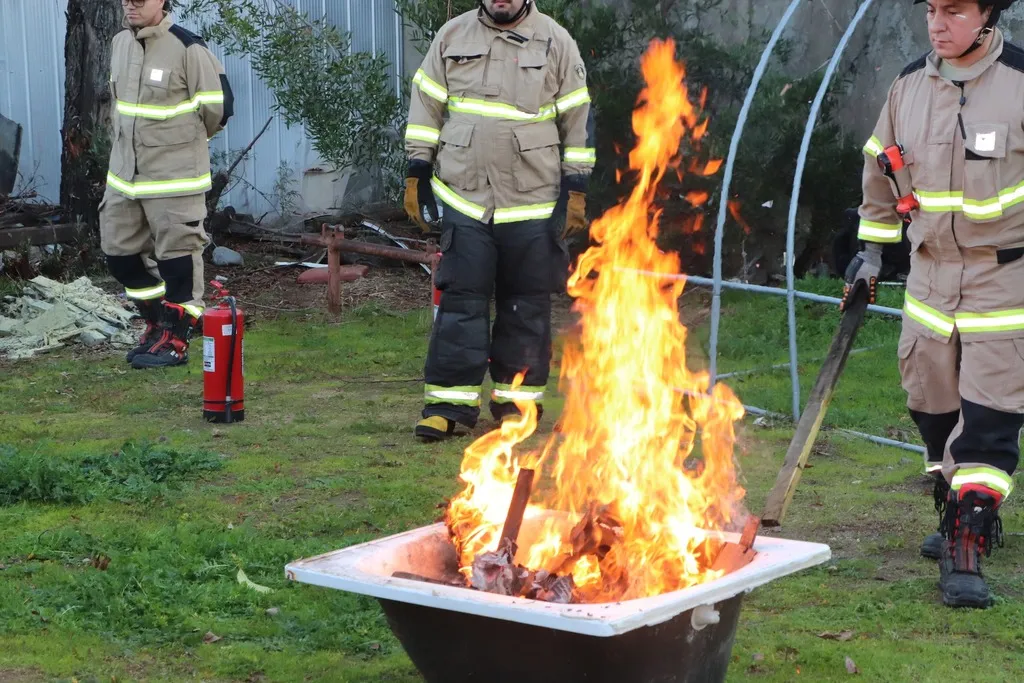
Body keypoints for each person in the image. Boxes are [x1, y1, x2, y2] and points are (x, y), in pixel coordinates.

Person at [847, 0, 1022, 608]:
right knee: (932, 407)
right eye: (930, 10)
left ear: (989, 15)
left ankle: (967, 544)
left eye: (954, 10)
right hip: (928, 281)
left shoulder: (1020, 86)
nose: (937, 24)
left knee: (989, 419)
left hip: (1003, 282)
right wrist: (870, 256)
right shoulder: (907, 87)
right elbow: (879, 173)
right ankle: (955, 510)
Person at [404, 0, 594, 441]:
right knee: (460, 302)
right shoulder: (452, 36)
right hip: (465, 196)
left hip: (532, 200)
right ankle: (447, 406)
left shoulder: (555, 40)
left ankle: (516, 406)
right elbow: (426, 106)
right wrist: (416, 170)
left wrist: (577, 187)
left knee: (525, 306)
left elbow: (577, 119)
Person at [102, 0, 233, 369]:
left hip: (174, 181)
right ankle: (157, 323)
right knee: (120, 256)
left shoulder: (188, 48)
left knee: (178, 263)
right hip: (125, 179)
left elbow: (219, 110)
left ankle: (176, 338)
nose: (131, 4)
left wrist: (179, 147)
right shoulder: (120, 44)